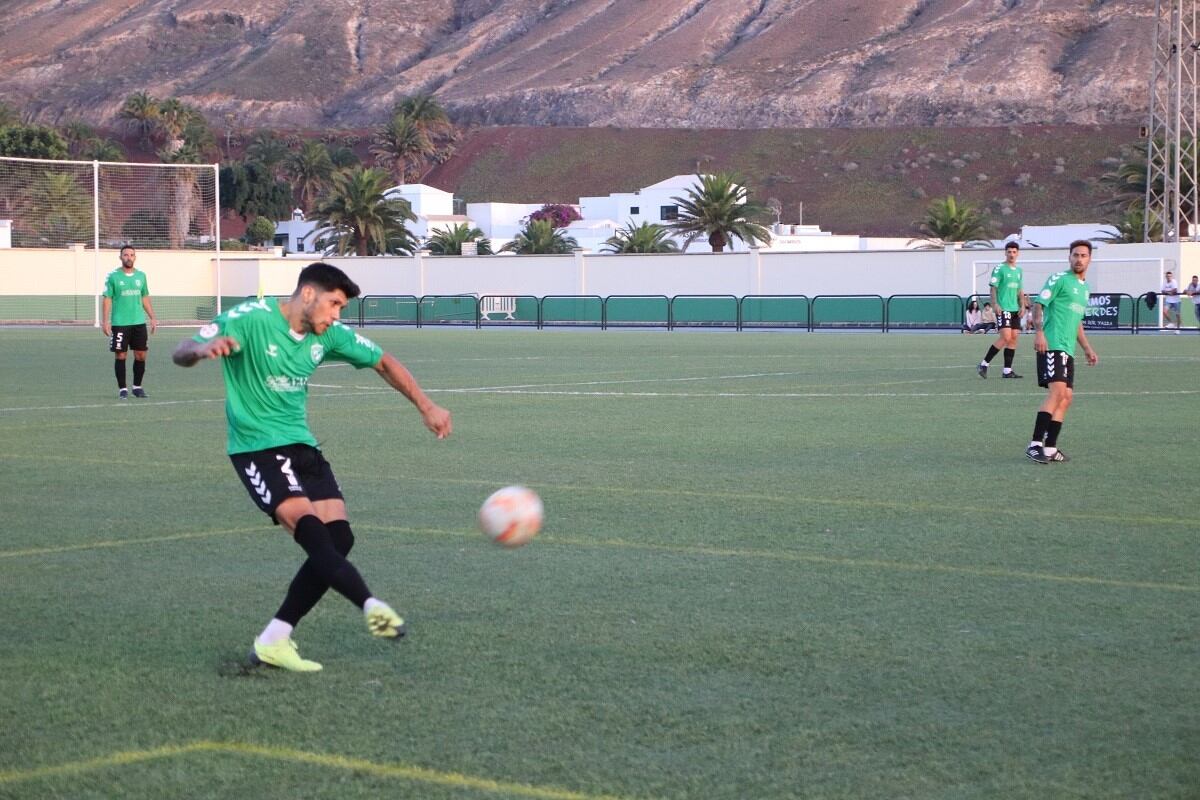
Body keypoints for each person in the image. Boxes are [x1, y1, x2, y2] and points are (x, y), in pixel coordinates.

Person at [172, 262, 453, 672]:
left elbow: (383, 361)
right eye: (334, 304)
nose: (337, 315)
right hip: (257, 448)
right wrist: (200, 352)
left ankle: (275, 638)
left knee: (339, 540)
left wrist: (426, 405)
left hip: (302, 445)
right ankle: (370, 605)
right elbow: (180, 351)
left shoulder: (330, 335)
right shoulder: (248, 318)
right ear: (308, 294)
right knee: (312, 534)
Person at [1025, 240, 1099, 464]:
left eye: (1083, 256)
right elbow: (1039, 305)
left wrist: (1087, 348)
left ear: (1089, 259)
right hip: (1052, 344)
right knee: (1056, 393)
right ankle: (1035, 444)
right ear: (1069, 257)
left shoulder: (1084, 289)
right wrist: (1039, 333)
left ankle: (1050, 448)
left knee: (1066, 398)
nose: (1079, 259)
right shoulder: (1059, 279)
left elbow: (1076, 322)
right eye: (1075, 255)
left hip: (1068, 349)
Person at [102, 245, 157, 398]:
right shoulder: (113, 276)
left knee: (141, 355)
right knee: (121, 355)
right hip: (120, 323)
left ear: (135, 257)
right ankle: (123, 389)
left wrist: (152, 317)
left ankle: (137, 387)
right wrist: (105, 321)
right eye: (125, 255)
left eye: (131, 255)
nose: (128, 257)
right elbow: (107, 299)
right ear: (121, 257)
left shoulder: (141, 276)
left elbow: (145, 297)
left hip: (138, 323)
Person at [977, 241, 1026, 378]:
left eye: (1014, 252)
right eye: (1009, 252)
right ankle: (984, 364)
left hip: (1015, 309)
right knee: (1006, 337)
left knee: (1014, 337)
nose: (1011, 254)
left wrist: (1022, 306)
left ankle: (1007, 371)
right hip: (1003, 308)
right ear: (1005, 253)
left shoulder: (1018, 271)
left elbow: (1020, 290)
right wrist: (995, 304)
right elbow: (993, 288)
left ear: (1018, 253)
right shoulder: (999, 268)